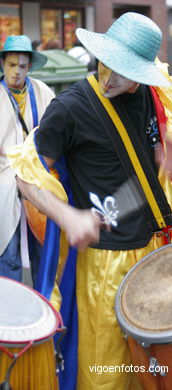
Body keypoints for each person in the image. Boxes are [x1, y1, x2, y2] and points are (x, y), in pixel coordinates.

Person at [7, 13, 172, 390]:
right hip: (106, 262)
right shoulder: (70, 107)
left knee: (159, 364)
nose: (109, 78)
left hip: (159, 248)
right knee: (106, 374)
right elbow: (24, 176)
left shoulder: (159, 96)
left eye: (123, 71)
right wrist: (67, 215)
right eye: (105, 64)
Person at [0, 35, 55, 283]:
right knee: (8, 248)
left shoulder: (42, 91)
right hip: (4, 178)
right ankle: (10, 311)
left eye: (22, 66)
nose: (16, 72)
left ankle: (44, 304)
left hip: (37, 175)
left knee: (43, 246)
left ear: (29, 66)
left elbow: (56, 132)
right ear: (3, 64)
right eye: (12, 65)